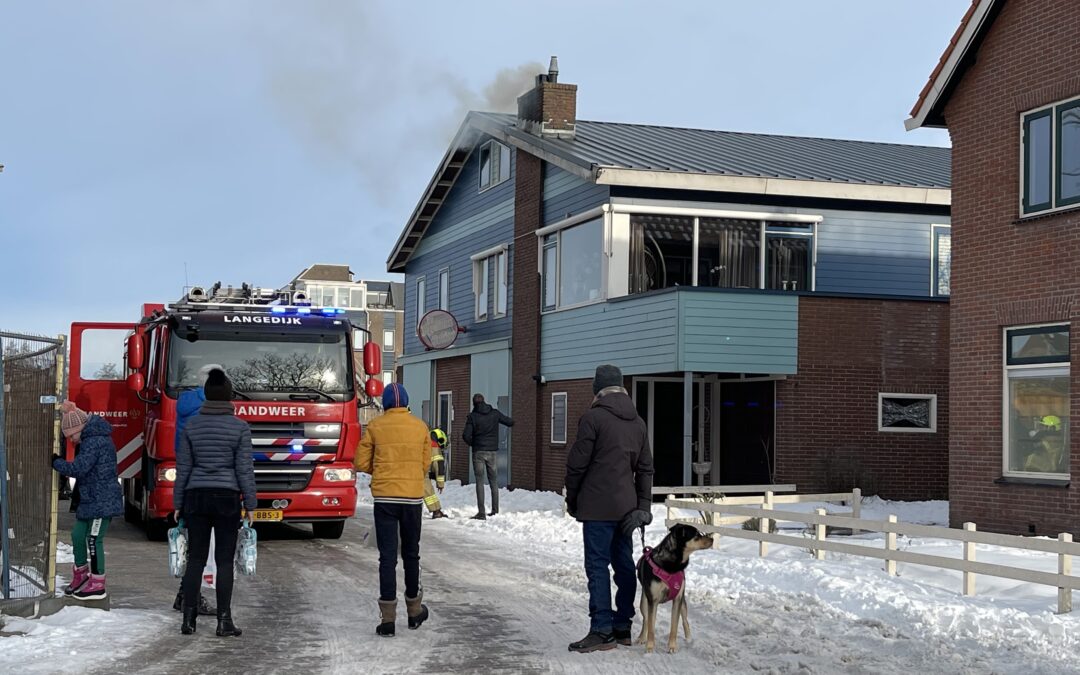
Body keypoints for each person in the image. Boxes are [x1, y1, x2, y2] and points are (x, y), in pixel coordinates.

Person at [564, 364, 654, 653]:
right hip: (627, 509)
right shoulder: (638, 422)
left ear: (597, 388)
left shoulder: (593, 418)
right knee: (624, 564)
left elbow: (576, 465)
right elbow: (645, 468)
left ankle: (602, 630)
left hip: (596, 507)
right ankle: (622, 626)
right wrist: (643, 507)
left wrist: (572, 500)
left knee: (598, 566)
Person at [174, 369, 256, 637]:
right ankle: (224, 621)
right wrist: (251, 504)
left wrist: (178, 502)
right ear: (229, 396)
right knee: (224, 561)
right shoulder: (240, 427)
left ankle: (188, 620)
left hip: (196, 496)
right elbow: (244, 469)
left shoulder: (192, 426)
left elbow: (183, 468)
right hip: (227, 498)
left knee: (195, 559)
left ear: (206, 395)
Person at [354, 383, 431, 637]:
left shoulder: (375, 426)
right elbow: (425, 464)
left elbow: (361, 462)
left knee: (387, 557)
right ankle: (414, 612)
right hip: (412, 499)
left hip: (385, 499)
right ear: (406, 403)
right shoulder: (420, 427)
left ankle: (387, 620)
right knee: (411, 553)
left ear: (385, 404)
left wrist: (382, 471)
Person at [52, 401, 124, 601]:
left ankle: (97, 583)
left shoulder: (94, 442)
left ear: (78, 429)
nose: (71, 440)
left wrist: (56, 462)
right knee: (77, 535)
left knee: (94, 539)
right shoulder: (91, 439)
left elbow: (79, 468)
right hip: (91, 498)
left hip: (102, 500)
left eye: (71, 436)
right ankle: (81, 573)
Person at [172, 363, 224, 617]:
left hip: (189, 481)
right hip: (210, 483)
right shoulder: (211, 407)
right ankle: (190, 599)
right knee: (202, 550)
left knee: (193, 542)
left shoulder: (185, 402)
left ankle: (185, 594)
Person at [462, 393, 514, 520]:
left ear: (474, 403)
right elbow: (510, 422)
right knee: (494, 481)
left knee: (479, 482)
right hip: (492, 452)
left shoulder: (472, 417)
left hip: (478, 453)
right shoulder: (494, 413)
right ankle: (495, 510)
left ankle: (481, 513)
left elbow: (466, 435)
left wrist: (473, 443)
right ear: (484, 401)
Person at [424, 428, 448, 519]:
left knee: (429, 490)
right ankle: (436, 511)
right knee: (427, 490)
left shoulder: (424, 442)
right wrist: (440, 484)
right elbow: (439, 467)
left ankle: (437, 510)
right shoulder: (435, 448)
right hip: (420, 472)